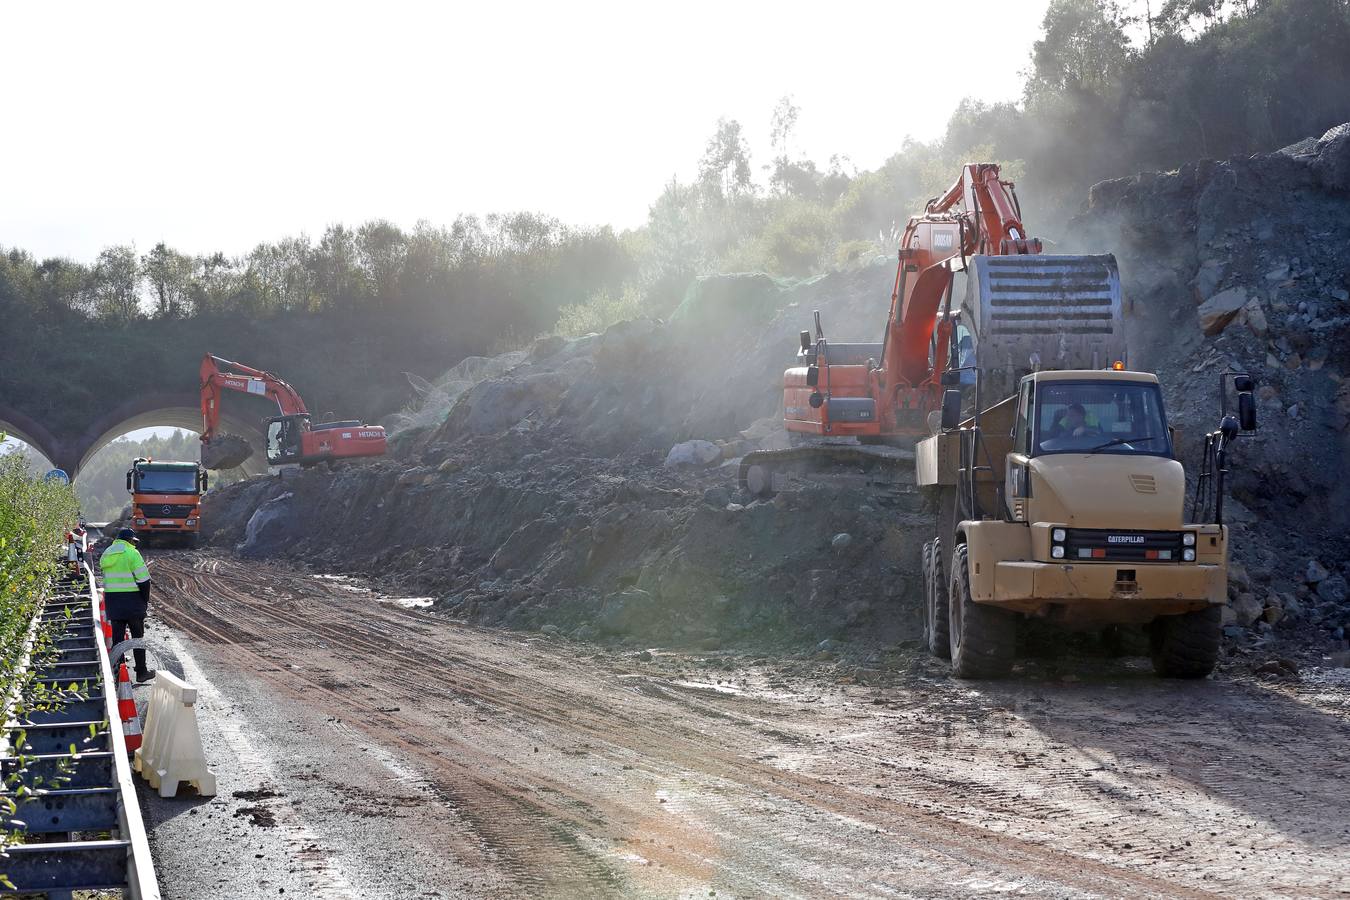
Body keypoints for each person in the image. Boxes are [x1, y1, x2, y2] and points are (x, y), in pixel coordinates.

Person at [99, 528, 156, 682]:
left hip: (113, 602)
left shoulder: (107, 554)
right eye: (134, 541)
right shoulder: (132, 553)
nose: (135, 544)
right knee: (137, 637)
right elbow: (144, 581)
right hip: (132, 601)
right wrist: (144, 601)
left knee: (118, 639)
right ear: (130, 540)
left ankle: (119, 675)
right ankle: (141, 672)